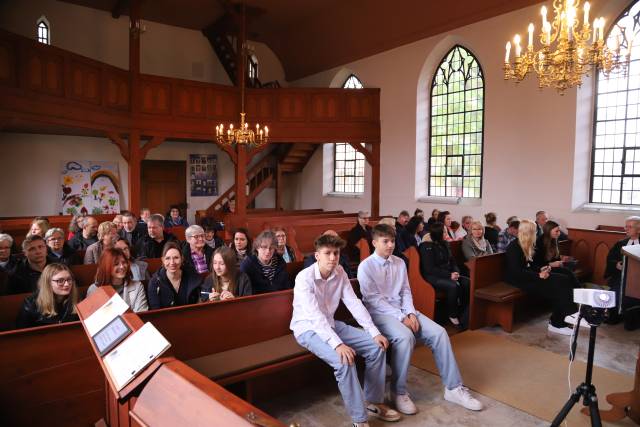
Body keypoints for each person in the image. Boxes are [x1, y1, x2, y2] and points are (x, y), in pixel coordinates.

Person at [358, 224, 483, 416]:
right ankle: (398, 392)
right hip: (378, 313)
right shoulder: (366, 266)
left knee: (439, 333)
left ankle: (453, 388)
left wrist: (410, 313)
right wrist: (401, 317)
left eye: (392, 241)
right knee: (405, 336)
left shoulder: (399, 262)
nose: (390, 245)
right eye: (385, 241)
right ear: (374, 242)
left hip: (403, 310)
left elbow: (406, 291)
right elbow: (374, 300)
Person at [291, 233, 400, 427]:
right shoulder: (304, 278)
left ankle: (373, 402)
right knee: (344, 361)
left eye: (336, 253)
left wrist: (373, 331)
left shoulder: (339, 272)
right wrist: (338, 344)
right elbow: (315, 318)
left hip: (331, 324)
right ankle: (360, 420)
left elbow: (354, 303)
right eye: (327, 253)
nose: (332, 258)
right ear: (317, 255)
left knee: (376, 347)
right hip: (307, 329)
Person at [505, 220, 577, 335]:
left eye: (536, 230)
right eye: (533, 231)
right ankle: (560, 321)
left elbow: (531, 265)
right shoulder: (514, 247)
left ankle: (563, 318)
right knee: (559, 285)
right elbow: (516, 272)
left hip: (530, 276)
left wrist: (542, 269)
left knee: (563, 279)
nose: (536, 234)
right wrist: (538, 275)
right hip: (519, 280)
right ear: (525, 232)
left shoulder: (529, 245)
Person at [419, 222, 469, 327]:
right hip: (432, 276)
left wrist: (456, 272)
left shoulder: (445, 243)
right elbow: (430, 269)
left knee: (467, 282)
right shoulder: (425, 246)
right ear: (438, 233)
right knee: (453, 286)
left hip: (448, 273)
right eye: (445, 231)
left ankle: (464, 313)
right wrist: (449, 275)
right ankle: (452, 314)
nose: (447, 233)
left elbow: (452, 261)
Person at [16, 263, 79, 328]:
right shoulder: (30, 304)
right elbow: (21, 333)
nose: (67, 284)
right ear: (48, 283)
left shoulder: (77, 299)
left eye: (69, 279)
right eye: (60, 281)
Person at [87, 248, 148, 312]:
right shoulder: (94, 289)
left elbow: (141, 313)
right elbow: (92, 318)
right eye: (116, 264)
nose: (122, 267)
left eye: (124, 262)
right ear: (106, 266)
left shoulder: (137, 286)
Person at [604, 216, 640, 323]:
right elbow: (610, 259)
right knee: (617, 288)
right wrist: (616, 265)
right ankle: (614, 314)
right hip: (621, 275)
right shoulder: (621, 243)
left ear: (639, 229)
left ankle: (628, 315)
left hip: (637, 278)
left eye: (630, 227)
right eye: (626, 226)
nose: (626, 229)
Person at [147, 242, 204, 309]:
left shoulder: (193, 277)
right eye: (167, 258)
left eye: (176, 258)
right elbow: (155, 311)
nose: (172, 262)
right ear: (163, 260)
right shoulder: (154, 283)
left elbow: (200, 302)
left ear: (182, 259)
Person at [534, 220, 580, 288]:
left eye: (559, 231)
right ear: (548, 231)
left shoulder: (554, 240)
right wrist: (551, 264)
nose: (559, 233)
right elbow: (537, 263)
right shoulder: (540, 242)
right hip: (544, 269)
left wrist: (562, 260)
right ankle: (577, 291)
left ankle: (577, 291)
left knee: (572, 266)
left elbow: (556, 258)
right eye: (556, 231)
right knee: (567, 274)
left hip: (553, 266)